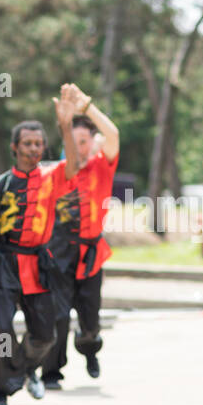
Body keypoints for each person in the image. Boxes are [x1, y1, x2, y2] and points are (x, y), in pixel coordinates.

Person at [0, 87, 83, 405]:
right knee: (3, 332)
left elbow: (74, 165)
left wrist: (65, 124)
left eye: (39, 143)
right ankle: (1, 392)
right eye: (28, 144)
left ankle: (27, 369)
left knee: (45, 336)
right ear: (15, 148)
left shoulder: (51, 179)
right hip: (5, 263)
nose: (34, 148)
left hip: (39, 265)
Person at [43, 92, 121, 389]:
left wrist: (86, 107)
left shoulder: (103, 165)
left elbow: (112, 133)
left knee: (90, 320)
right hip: (60, 250)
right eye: (73, 143)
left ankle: (89, 349)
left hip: (91, 251)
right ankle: (52, 372)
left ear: (93, 142)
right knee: (59, 314)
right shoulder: (58, 173)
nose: (79, 148)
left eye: (84, 142)